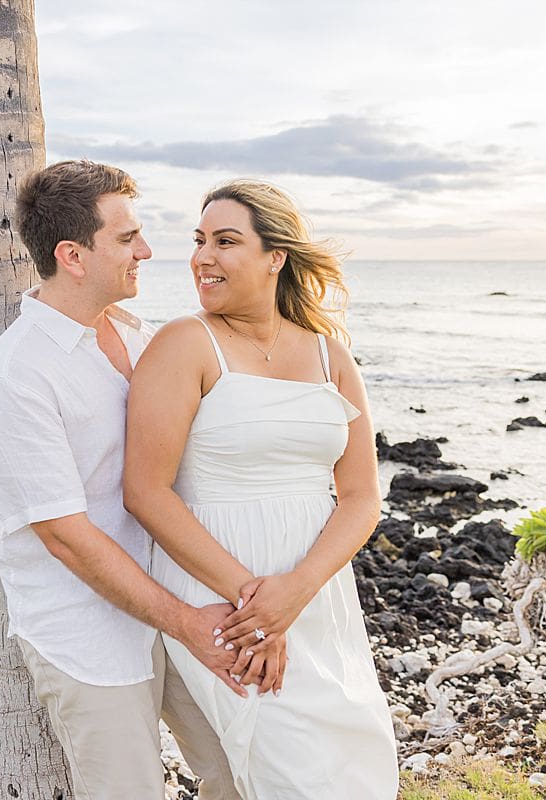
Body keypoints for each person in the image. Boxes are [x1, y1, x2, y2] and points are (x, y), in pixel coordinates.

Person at [0, 160, 243, 800]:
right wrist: (185, 622)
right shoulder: (19, 378)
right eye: (126, 239)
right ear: (73, 255)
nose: (147, 251)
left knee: (244, 772)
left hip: (178, 606)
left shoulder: (140, 337)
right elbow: (66, 536)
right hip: (87, 631)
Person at [123, 179, 400, 799]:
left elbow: (360, 495)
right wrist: (254, 609)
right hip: (224, 598)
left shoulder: (331, 356)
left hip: (317, 599)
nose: (203, 257)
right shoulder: (185, 343)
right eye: (199, 241)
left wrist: (295, 593)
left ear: (276, 256)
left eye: (226, 241)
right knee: (286, 772)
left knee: (355, 762)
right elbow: (145, 492)